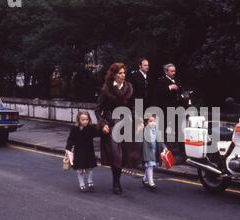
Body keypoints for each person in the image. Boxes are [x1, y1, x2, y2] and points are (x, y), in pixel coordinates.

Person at [95, 63, 134, 195]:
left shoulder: (129, 88)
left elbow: (133, 106)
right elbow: (98, 110)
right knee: (115, 155)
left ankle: (119, 179)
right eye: (120, 73)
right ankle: (116, 183)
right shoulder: (106, 89)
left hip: (126, 124)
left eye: (124, 73)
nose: (123, 75)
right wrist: (102, 124)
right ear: (114, 75)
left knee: (124, 155)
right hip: (111, 124)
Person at [65, 111, 102, 192]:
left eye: (87, 119)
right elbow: (71, 139)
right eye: (83, 119)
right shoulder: (74, 129)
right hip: (79, 152)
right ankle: (82, 184)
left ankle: (90, 182)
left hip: (89, 152)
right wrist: (68, 148)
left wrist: (103, 128)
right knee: (79, 169)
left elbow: (99, 133)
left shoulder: (91, 128)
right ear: (79, 120)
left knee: (90, 168)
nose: (85, 121)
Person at [142, 114, 167, 190]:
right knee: (150, 164)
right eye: (150, 121)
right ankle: (151, 183)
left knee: (151, 165)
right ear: (146, 122)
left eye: (154, 121)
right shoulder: (144, 130)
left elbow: (160, 139)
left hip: (155, 150)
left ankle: (144, 179)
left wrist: (164, 147)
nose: (152, 123)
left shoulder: (156, 130)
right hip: (147, 150)